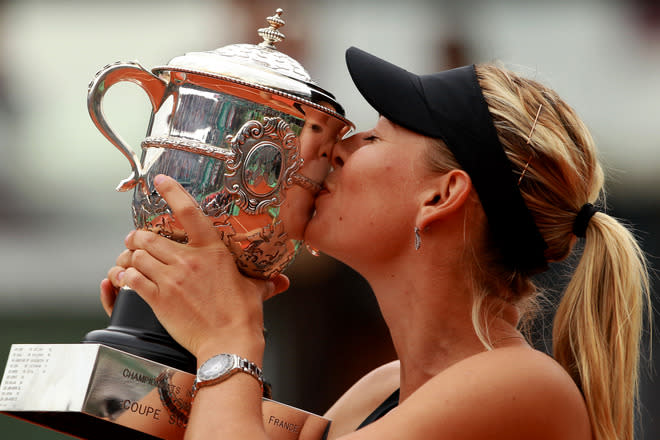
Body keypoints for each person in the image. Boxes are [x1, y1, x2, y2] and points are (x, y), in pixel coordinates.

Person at [100, 47, 651, 440]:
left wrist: (228, 339)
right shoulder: (380, 389)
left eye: (374, 134)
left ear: (442, 195)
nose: (337, 149)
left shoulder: (521, 386)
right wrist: (168, 337)